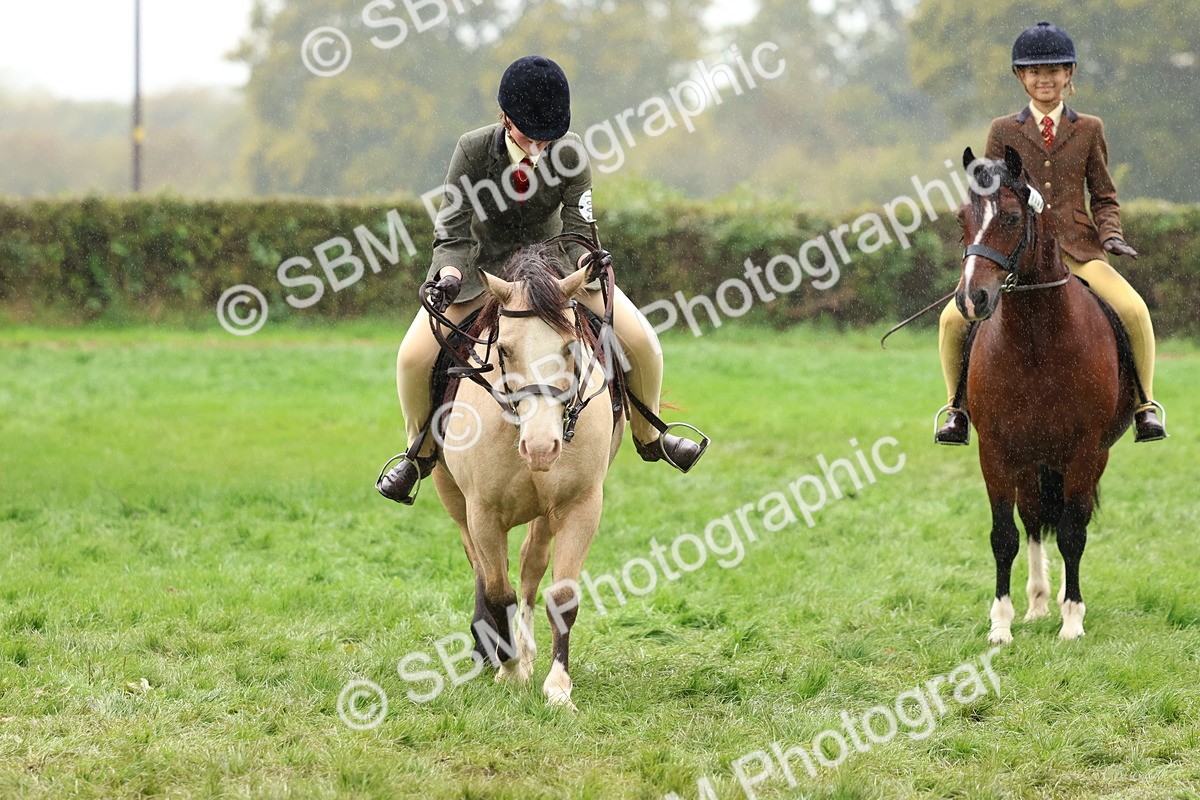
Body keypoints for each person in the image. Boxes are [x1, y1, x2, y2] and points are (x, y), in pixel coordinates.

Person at [376, 55, 707, 504]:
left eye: (546, 138)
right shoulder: (473, 150)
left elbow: (578, 226)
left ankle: (651, 436)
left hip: (554, 273)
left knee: (645, 342)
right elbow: (451, 230)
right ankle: (418, 455)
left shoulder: (570, 153)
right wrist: (450, 274)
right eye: (529, 136)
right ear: (506, 119)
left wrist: (585, 264)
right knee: (412, 357)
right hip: (482, 274)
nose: (538, 148)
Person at [935, 21, 1167, 446]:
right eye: (1034, 71)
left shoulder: (1090, 128)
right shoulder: (1003, 130)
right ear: (1020, 77)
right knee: (953, 318)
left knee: (1134, 311)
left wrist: (1110, 234)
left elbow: (1104, 195)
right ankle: (956, 410)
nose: (1045, 78)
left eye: (1054, 69)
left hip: (1079, 251)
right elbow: (990, 194)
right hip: (1019, 255)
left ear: (1069, 74)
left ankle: (1145, 405)